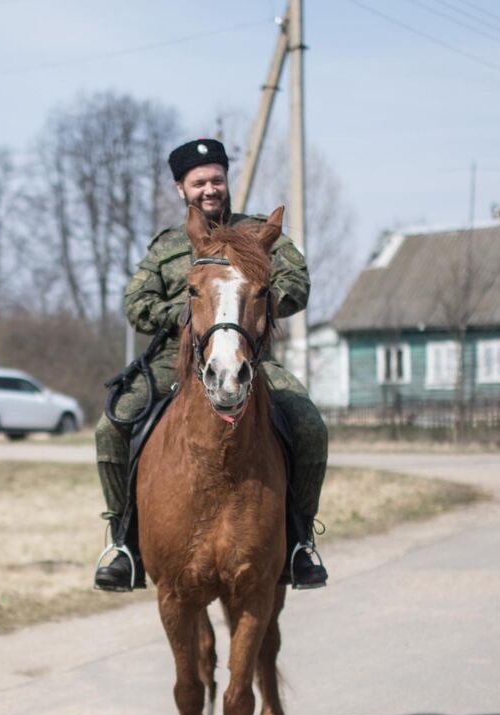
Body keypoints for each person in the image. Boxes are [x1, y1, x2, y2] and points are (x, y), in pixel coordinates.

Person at [92, 137, 329, 593]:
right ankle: (124, 543)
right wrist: (184, 313)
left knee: (309, 425)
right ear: (181, 189)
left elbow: (296, 284)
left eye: (216, 179)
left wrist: (249, 309)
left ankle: (299, 542)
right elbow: (135, 302)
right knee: (111, 426)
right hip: (173, 359)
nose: (209, 189)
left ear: (226, 182)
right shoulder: (165, 247)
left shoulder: (260, 234)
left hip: (248, 356)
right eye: (198, 182)